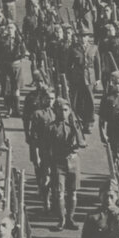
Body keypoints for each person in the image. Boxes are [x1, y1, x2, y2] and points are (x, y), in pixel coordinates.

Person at [41, 97, 85, 230]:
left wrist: (75, 128)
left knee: (73, 192)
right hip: (58, 162)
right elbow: (45, 149)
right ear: (55, 111)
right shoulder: (51, 127)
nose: (63, 113)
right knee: (59, 192)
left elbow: (82, 143)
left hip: (73, 162)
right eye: (60, 110)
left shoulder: (75, 125)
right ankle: (62, 220)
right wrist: (46, 168)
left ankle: (70, 218)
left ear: (70, 111)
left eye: (66, 110)